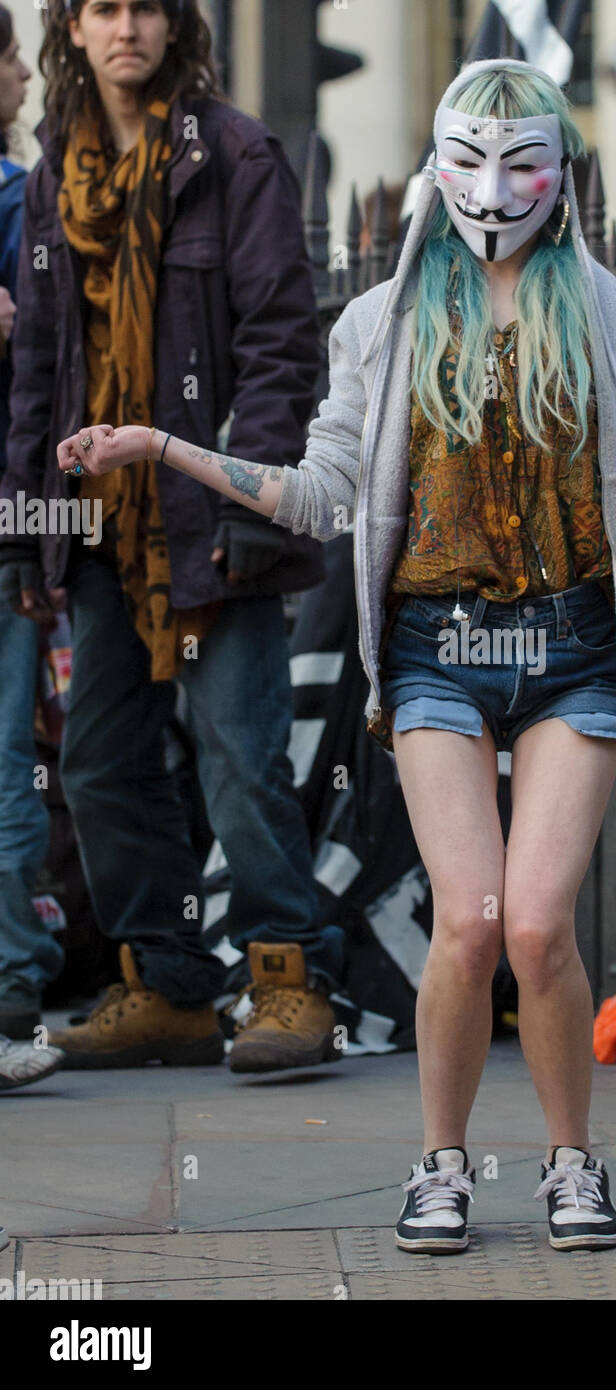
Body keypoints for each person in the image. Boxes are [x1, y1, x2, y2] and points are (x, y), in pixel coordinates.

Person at [54, 58, 616, 1251]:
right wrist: (165, 443)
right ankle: (441, 1166)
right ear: (437, 171)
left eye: (524, 161)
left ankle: (574, 1163)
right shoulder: (384, 321)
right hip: (434, 650)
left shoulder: (613, 315)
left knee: (535, 927)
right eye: (472, 160)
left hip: (571, 653)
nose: (498, 188)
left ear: (561, 172)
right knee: (468, 918)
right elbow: (320, 494)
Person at [0, 0, 340, 1075]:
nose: (126, 29)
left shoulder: (235, 155)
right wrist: (25, 526)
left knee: (240, 752)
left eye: (146, 7)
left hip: (207, 512)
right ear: (74, 29)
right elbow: (43, 366)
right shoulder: (61, 173)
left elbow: (283, 342)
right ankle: (171, 984)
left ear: (174, 26)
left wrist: (250, 499)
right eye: (104, 8)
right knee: (100, 762)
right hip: (100, 521)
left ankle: (290, 977)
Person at [0, 3, 67, 1041]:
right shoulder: (24, 200)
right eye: (7, 55)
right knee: (12, 752)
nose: (21, 74)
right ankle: (14, 971)